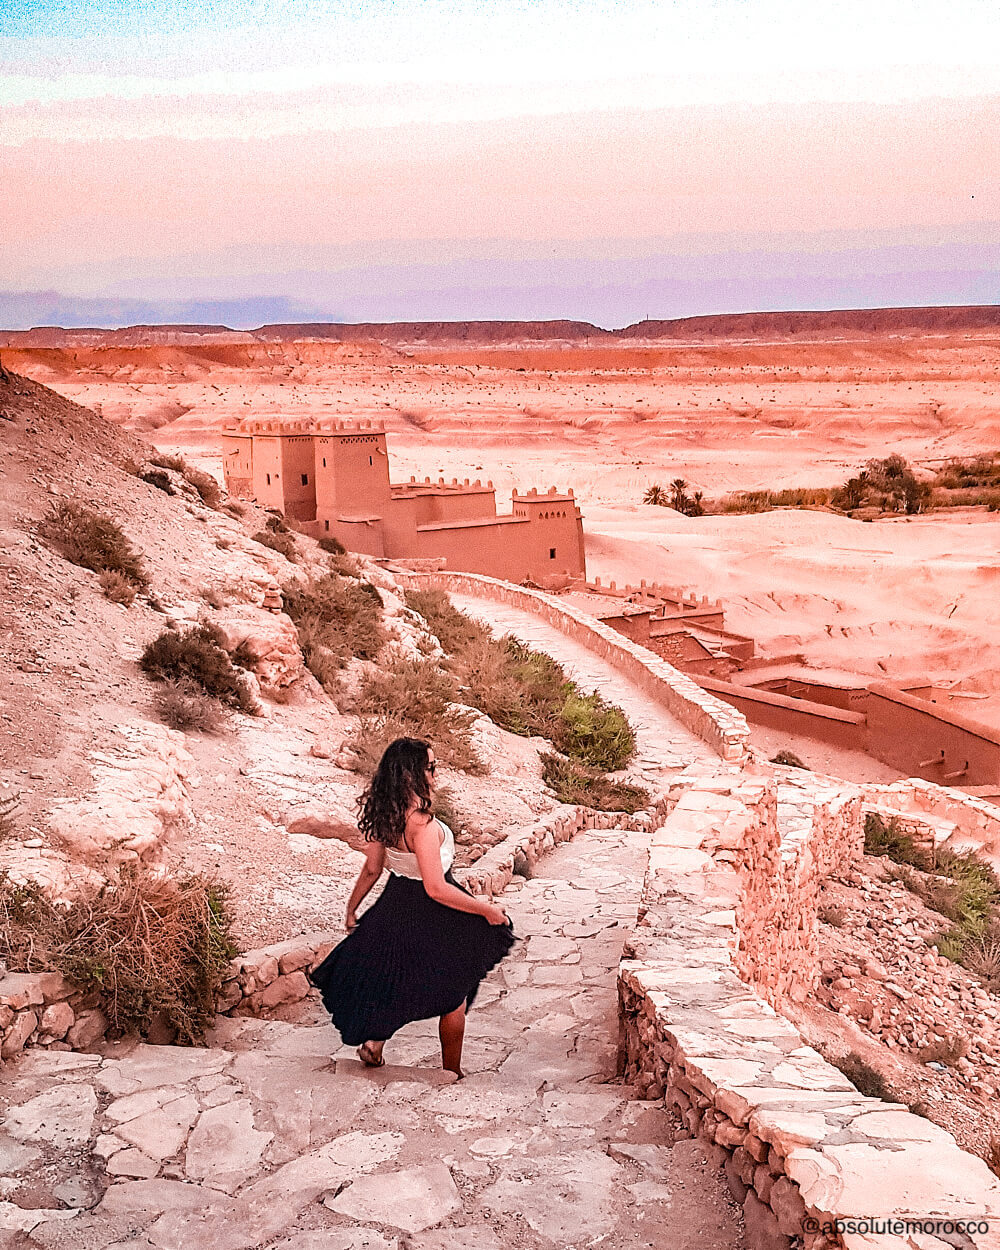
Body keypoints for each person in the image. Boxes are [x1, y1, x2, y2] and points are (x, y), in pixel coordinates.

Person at [310, 737, 515, 1077]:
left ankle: (375, 1042)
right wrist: (485, 910)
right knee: (455, 991)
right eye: (431, 767)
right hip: (435, 911)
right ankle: (452, 1072)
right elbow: (436, 888)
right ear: (411, 775)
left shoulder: (383, 814)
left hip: (394, 905)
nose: (436, 773)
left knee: (394, 977)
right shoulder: (421, 824)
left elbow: (373, 869)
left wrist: (352, 908)